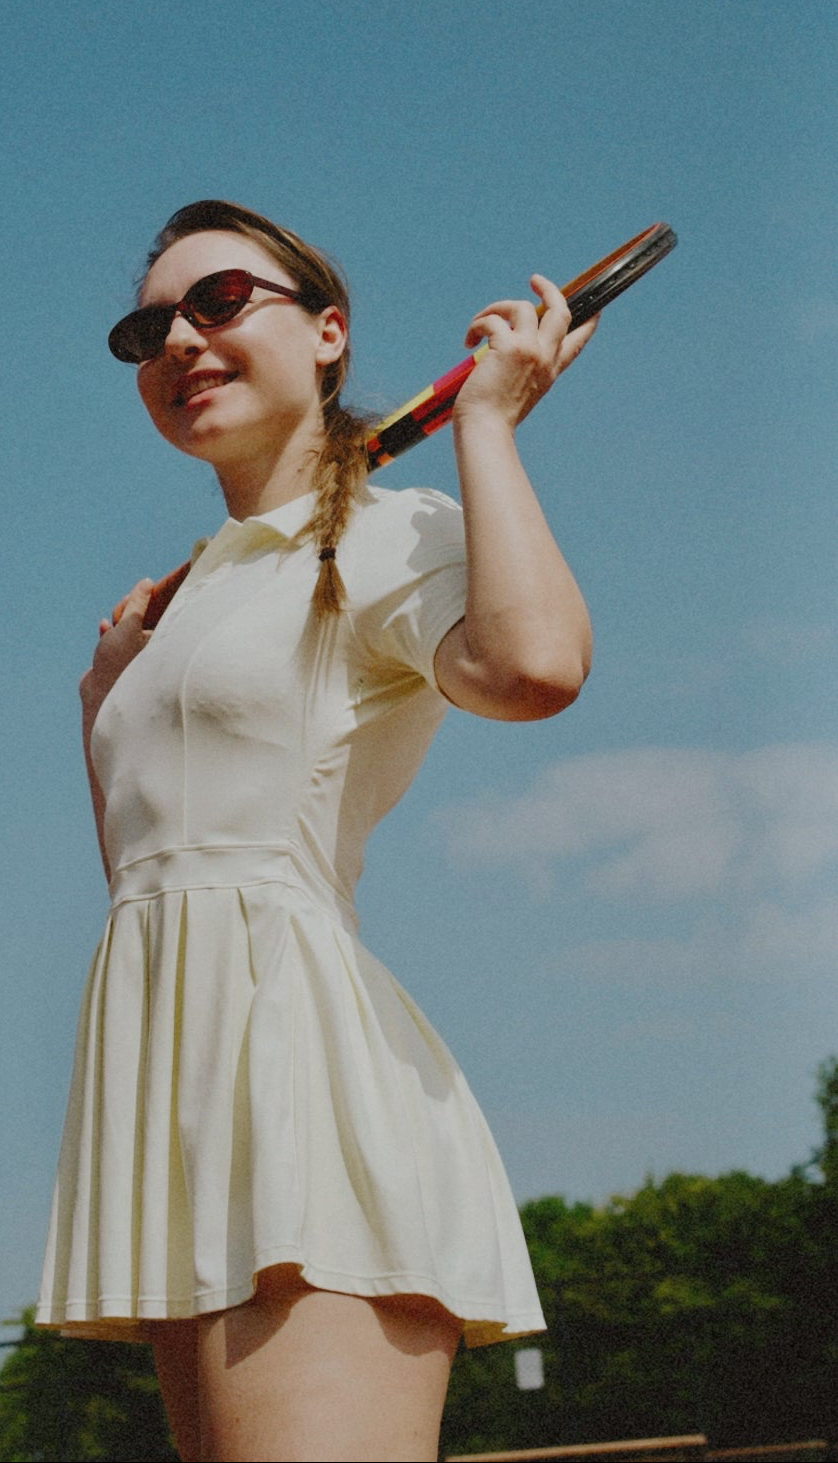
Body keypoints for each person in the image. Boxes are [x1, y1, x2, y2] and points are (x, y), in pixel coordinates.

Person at [36, 200, 596, 1462]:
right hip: (171, 1111)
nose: (179, 336)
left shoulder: (390, 533)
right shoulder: (189, 595)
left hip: (301, 1101)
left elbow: (537, 666)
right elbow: (146, 873)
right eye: (149, 325)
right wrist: (104, 698)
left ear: (328, 332)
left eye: (222, 300)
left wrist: (490, 427)